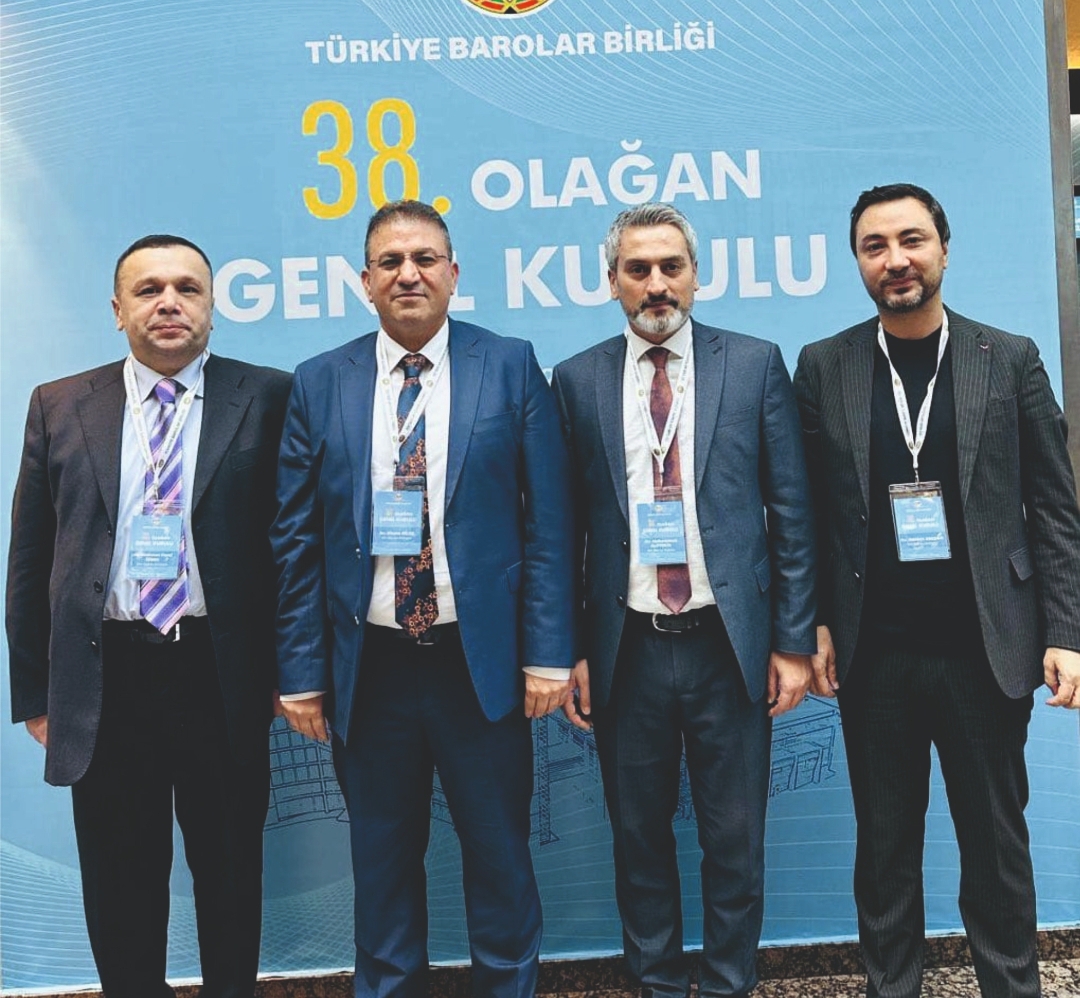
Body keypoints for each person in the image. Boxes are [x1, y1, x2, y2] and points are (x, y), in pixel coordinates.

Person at [271, 200, 575, 998]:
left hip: (478, 665)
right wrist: (301, 671)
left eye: (425, 258)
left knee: (500, 856)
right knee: (380, 862)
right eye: (390, 261)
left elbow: (549, 523)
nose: (409, 273)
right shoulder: (320, 381)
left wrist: (548, 653)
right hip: (369, 669)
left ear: (453, 273)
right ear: (364, 281)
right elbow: (295, 542)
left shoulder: (508, 365)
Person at [793, 182, 1080, 998]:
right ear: (858, 262)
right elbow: (808, 514)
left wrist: (1067, 631)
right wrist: (814, 624)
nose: (896, 260)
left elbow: (1054, 508)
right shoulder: (824, 366)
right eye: (875, 246)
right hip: (874, 656)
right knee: (885, 852)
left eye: (911, 240)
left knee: (996, 849)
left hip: (985, 650)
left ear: (944, 250)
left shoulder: (1009, 357)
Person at [5, 235, 292, 997]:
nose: (169, 303)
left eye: (187, 289)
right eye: (149, 289)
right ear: (117, 309)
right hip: (106, 675)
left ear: (212, 306)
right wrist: (36, 693)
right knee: (119, 876)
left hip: (220, 671)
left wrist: (291, 671)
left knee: (230, 867)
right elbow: (31, 557)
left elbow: (296, 548)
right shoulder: (60, 403)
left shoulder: (268, 396)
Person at [550, 203, 817, 998]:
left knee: (735, 838)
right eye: (638, 269)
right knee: (638, 838)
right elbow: (563, 532)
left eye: (671, 266)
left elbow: (792, 511)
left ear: (697, 275)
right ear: (612, 282)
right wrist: (572, 652)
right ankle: (658, 983)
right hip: (627, 647)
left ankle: (730, 982)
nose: (657, 284)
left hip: (728, 645)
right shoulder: (577, 380)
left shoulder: (755, 365)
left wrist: (792, 641)